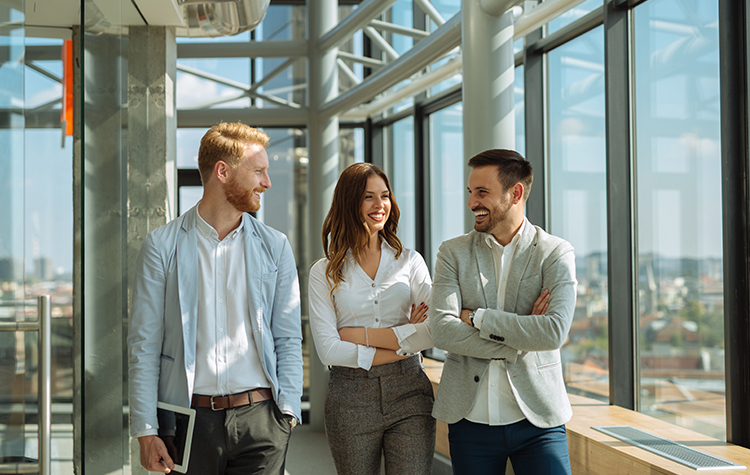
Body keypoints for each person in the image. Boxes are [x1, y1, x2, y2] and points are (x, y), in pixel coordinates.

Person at [128, 122, 303, 474]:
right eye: (258, 171)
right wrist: (146, 430)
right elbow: (144, 344)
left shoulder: (275, 246)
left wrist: (289, 412)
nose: (266, 182)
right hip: (189, 421)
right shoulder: (162, 246)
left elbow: (288, 336)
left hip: (263, 421)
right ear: (222, 172)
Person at [429, 149, 577, 475]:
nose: (472, 203)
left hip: (538, 420)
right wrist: (523, 335)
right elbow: (441, 330)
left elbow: (553, 332)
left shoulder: (555, 253)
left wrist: (476, 318)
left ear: (516, 193)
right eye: (470, 192)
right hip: (470, 421)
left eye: (482, 192)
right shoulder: (452, 253)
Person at [308, 163, 436, 475]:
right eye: (368, 197)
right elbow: (329, 350)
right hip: (349, 398)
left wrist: (357, 334)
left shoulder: (410, 261)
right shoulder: (323, 272)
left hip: (411, 394)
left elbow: (434, 331)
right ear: (349, 202)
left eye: (385, 196)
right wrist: (406, 337)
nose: (380, 205)